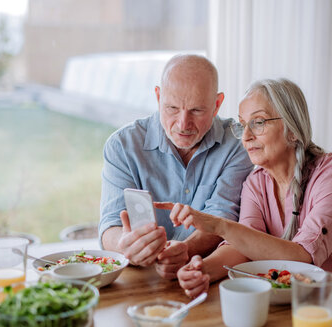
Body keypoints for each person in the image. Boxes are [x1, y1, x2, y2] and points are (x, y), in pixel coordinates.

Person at [156, 78, 332, 309]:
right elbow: (243, 248)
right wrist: (203, 269)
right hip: (322, 310)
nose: (245, 136)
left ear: (292, 129)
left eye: (258, 123)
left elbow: (303, 258)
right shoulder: (256, 184)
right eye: (242, 125)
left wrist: (218, 225)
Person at [99, 54, 254, 279]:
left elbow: (223, 218)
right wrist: (124, 245)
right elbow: (111, 225)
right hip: (137, 280)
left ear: (217, 104)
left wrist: (185, 251)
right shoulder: (122, 146)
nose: (183, 124)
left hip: (205, 274)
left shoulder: (238, 144)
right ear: (158, 96)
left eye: (197, 110)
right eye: (172, 108)